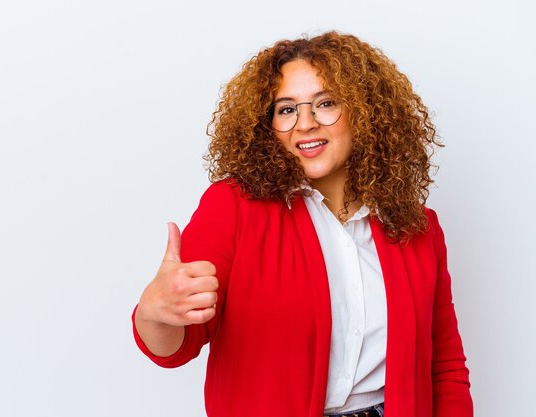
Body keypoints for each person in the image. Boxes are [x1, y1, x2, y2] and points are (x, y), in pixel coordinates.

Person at [132, 31, 473, 417]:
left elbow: (445, 368)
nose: (306, 123)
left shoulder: (417, 226)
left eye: (326, 103)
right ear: (268, 124)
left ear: (367, 113)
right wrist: (154, 312)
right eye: (287, 109)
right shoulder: (234, 207)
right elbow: (177, 345)